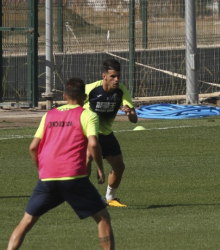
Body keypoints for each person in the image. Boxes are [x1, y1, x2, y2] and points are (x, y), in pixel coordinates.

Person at [7, 78, 115, 250]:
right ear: (85, 96)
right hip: (73, 176)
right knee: (102, 218)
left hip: (48, 177)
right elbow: (93, 144)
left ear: (65, 96)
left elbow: (33, 147)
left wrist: (42, 170)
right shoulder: (87, 114)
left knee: (26, 221)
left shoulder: (49, 114)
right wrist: (100, 169)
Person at [85, 58, 138, 207]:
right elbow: (72, 102)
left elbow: (134, 119)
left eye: (118, 76)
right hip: (88, 133)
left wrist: (129, 114)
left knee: (119, 166)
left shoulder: (121, 91)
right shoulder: (90, 89)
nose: (116, 80)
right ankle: (83, 196)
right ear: (104, 76)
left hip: (106, 134)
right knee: (87, 159)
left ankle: (110, 198)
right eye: (113, 76)